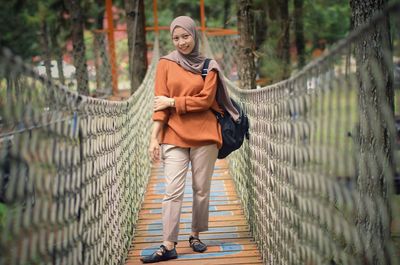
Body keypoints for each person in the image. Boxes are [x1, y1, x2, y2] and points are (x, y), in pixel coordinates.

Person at [140, 16, 239, 263]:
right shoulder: (164, 64)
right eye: (176, 38)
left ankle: (195, 235)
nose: (181, 42)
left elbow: (206, 101)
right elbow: (158, 104)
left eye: (185, 36)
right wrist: (154, 138)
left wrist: (174, 102)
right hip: (173, 133)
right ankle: (168, 244)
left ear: (194, 35)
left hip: (205, 134)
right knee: (172, 190)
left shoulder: (209, 66)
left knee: (201, 189)